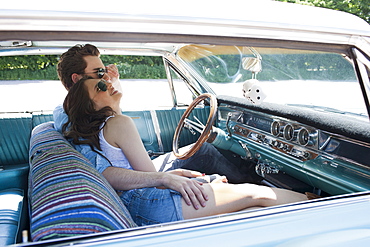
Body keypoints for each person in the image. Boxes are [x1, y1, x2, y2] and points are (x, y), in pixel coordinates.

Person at [62, 76, 308, 226]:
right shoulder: (119, 123)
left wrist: (184, 178)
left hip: (137, 205)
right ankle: (320, 202)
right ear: (91, 106)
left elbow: (127, 173)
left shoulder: (100, 130)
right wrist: (175, 179)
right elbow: (152, 178)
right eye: (100, 87)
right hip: (151, 202)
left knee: (252, 210)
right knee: (260, 193)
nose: (108, 85)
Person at [54, 44, 252, 184]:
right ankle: (256, 183)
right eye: (98, 73)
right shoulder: (66, 115)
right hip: (138, 178)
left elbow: (112, 130)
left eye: (105, 70)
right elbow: (100, 161)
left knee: (200, 149)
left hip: (138, 169)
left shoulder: (89, 108)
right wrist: (166, 178)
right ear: (76, 78)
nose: (105, 76)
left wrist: (112, 87)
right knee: (205, 151)